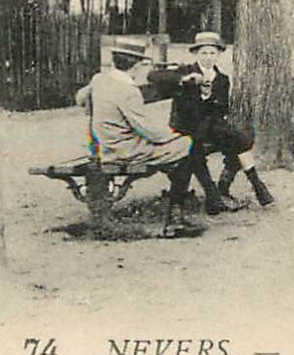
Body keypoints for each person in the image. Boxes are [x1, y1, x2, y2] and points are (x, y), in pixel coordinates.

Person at [76, 38, 207, 233]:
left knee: (179, 145)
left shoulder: (99, 79)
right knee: (186, 145)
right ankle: (174, 217)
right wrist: (173, 135)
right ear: (136, 66)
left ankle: (178, 204)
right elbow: (149, 131)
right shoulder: (128, 91)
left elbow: (79, 98)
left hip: (105, 144)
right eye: (144, 64)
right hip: (125, 150)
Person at [176, 32, 274, 208]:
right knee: (195, 148)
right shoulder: (186, 72)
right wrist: (185, 81)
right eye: (204, 53)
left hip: (211, 126)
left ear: (218, 55)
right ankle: (213, 194)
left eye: (212, 53)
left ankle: (253, 184)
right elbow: (156, 77)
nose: (208, 57)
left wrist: (211, 99)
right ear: (196, 54)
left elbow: (223, 108)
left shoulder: (221, 79)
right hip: (188, 127)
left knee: (241, 140)